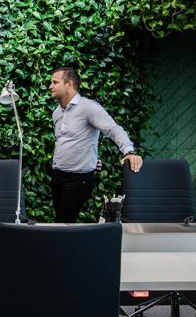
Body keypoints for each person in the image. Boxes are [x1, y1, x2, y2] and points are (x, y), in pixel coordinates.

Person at [49, 66, 143, 223]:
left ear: (69, 84)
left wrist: (129, 151)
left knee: (62, 221)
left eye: (54, 82)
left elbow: (113, 129)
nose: (50, 86)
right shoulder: (57, 112)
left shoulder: (89, 108)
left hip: (78, 179)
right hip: (58, 176)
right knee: (63, 221)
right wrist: (91, 158)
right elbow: (66, 141)